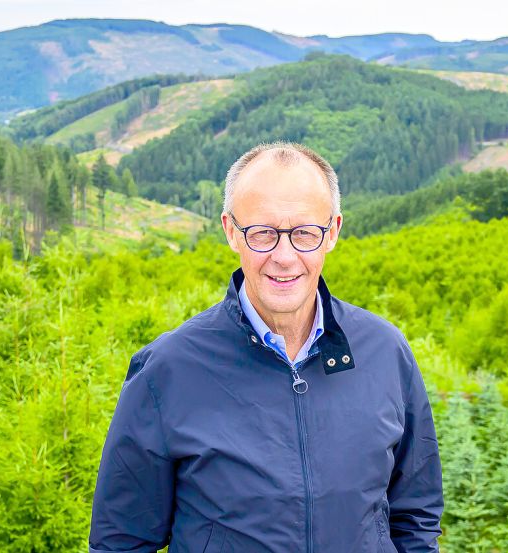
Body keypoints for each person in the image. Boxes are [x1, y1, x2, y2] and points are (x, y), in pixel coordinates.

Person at [88, 142, 444, 553]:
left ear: (333, 232)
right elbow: (121, 542)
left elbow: (416, 518)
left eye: (305, 233)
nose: (284, 256)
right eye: (263, 234)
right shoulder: (167, 370)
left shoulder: (385, 352)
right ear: (230, 231)